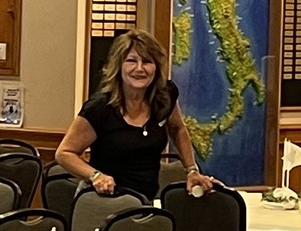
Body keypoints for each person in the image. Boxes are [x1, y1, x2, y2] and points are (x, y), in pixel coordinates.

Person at [55, 29, 215, 201]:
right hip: (102, 200)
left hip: (146, 198)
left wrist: (191, 170)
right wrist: (95, 176)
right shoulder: (100, 108)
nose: (139, 68)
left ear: (156, 67)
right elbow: (64, 153)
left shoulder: (165, 96)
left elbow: (177, 129)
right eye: (131, 61)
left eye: (147, 61)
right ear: (119, 66)